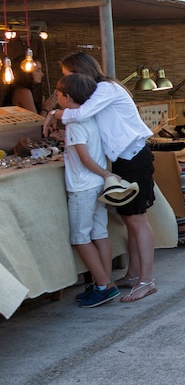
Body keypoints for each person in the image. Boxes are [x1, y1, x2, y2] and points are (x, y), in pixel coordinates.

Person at [44, 52, 158, 301]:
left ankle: (146, 280)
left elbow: (80, 114)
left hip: (134, 156)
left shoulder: (106, 89)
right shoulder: (99, 92)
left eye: (67, 75)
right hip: (123, 159)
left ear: (79, 72)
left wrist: (55, 114)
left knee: (137, 220)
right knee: (130, 220)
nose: (67, 81)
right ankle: (133, 274)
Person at [57, 73, 120, 307]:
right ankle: (104, 283)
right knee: (100, 234)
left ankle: (103, 285)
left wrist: (106, 174)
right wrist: (103, 175)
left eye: (58, 94)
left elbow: (84, 158)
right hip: (96, 187)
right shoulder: (90, 118)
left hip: (82, 188)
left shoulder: (74, 123)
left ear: (67, 97)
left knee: (80, 238)